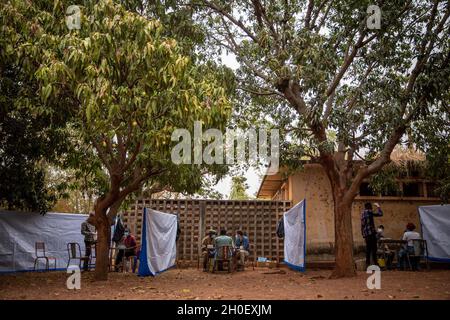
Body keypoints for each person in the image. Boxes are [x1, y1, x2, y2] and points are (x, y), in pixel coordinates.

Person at [361, 202, 383, 268]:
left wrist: (363, 233)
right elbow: (380, 214)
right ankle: (375, 264)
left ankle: (367, 264)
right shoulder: (369, 212)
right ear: (370, 207)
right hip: (371, 234)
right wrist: (378, 206)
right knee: (374, 249)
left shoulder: (362, 213)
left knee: (368, 249)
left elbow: (362, 225)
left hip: (366, 234)